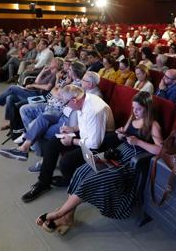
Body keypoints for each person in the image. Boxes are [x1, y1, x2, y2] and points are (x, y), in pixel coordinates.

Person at [36, 91, 163, 234]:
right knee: (81, 171)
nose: (135, 111)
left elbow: (160, 150)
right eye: (133, 108)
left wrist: (138, 141)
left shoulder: (153, 125)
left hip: (131, 161)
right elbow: (124, 134)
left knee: (94, 179)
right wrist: (121, 134)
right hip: (118, 153)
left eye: (139, 109)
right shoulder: (133, 117)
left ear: (148, 108)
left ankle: (59, 214)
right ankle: (68, 215)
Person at [20, 85, 115, 202]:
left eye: (65, 103)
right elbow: (85, 124)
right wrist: (72, 129)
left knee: (66, 162)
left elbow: (94, 144)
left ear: (74, 100)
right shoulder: (83, 99)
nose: (65, 106)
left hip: (102, 141)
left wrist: (72, 141)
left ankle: (70, 180)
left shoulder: (94, 110)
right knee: (52, 143)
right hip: (88, 135)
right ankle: (43, 182)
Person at [0, 58, 59, 130]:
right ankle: (11, 122)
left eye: (52, 62)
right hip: (34, 92)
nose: (50, 62)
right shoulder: (48, 72)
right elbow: (37, 81)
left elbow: (48, 87)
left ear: (56, 65)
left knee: (12, 88)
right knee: (9, 97)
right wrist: (42, 72)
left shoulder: (55, 74)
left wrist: (33, 85)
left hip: (39, 96)